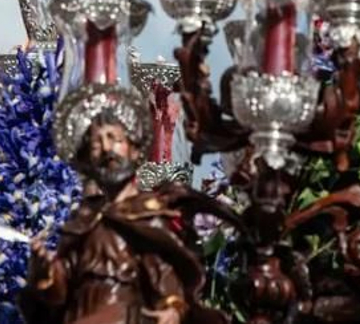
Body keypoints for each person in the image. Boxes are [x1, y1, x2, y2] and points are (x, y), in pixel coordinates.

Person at [24, 114, 222, 324]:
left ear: (134, 151)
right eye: (96, 145)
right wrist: (48, 273)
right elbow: (61, 295)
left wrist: (172, 308)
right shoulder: (83, 220)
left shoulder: (146, 218)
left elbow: (165, 280)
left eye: (114, 139)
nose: (107, 148)